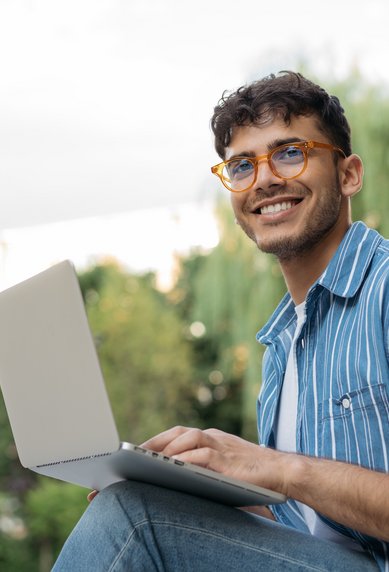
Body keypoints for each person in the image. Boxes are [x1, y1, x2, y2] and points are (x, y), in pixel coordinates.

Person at [53, 71, 389, 571]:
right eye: (241, 165)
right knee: (141, 507)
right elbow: (304, 534)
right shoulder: (281, 344)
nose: (266, 179)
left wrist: (279, 469)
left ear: (349, 175)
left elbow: (293, 480)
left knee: (134, 518)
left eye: (291, 152)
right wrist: (200, 487)